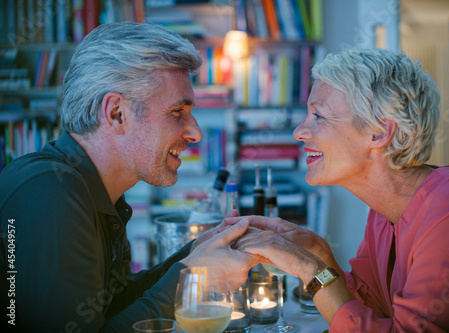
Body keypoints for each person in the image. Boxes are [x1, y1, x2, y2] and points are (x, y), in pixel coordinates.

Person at [0, 22, 258, 333]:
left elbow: (113, 306)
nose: (195, 131)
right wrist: (192, 276)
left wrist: (196, 253)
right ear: (116, 114)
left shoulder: (91, 189)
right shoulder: (48, 193)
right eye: (178, 111)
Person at [230, 48, 449, 332]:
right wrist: (317, 252)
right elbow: (371, 310)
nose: (299, 131)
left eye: (318, 116)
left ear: (379, 133)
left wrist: (308, 269)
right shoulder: (384, 211)